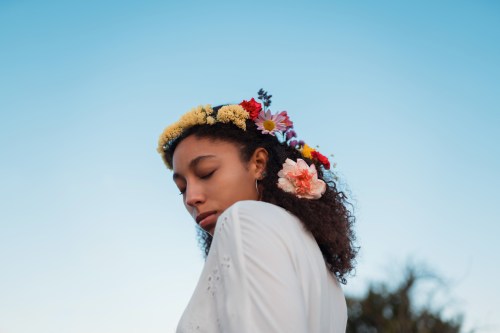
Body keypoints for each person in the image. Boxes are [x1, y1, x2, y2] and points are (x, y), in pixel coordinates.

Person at [157, 89, 357, 332]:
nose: (191, 197)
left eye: (206, 172)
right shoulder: (329, 282)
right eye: (182, 188)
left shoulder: (244, 220)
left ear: (258, 164)